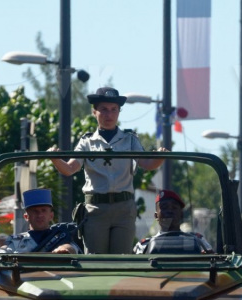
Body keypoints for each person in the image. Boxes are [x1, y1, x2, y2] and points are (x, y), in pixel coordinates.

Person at [48, 87, 169, 254]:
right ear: (94, 112)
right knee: (96, 261)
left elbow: (147, 164)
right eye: (103, 109)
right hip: (96, 208)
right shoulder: (87, 142)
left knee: (121, 259)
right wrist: (55, 159)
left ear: (119, 112)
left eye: (114, 110)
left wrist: (160, 157)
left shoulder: (129, 139)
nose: (109, 115)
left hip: (124, 208)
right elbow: (69, 169)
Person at [0, 189, 81, 254]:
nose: (39, 215)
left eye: (43, 210)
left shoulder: (61, 237)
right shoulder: (15, 242)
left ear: (51, 216)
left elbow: (73, 249)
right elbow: (3, 257)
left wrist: (66, 248)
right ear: (26, 216)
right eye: (35, 211)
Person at [134, 190, 212, 254]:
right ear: (156, 216)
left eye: (174, 208)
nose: (170, 211)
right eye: (164, 207)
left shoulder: (197, 241)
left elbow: (214, 261)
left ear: (181, 214)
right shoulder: (144, 246)